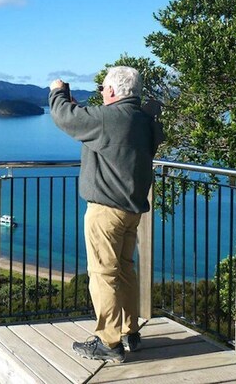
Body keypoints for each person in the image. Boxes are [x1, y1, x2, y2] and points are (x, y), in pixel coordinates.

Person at [49, 66, 163, 363]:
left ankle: (108, 342)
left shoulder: (110, 118)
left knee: (103, 274)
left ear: (112, 91)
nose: (100, 93)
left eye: (102, 89)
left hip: (106, 211)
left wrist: (57, 91)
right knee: (125, 270)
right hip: (131, 210)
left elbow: (64, 117)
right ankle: (130, 331)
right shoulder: (143, 120)